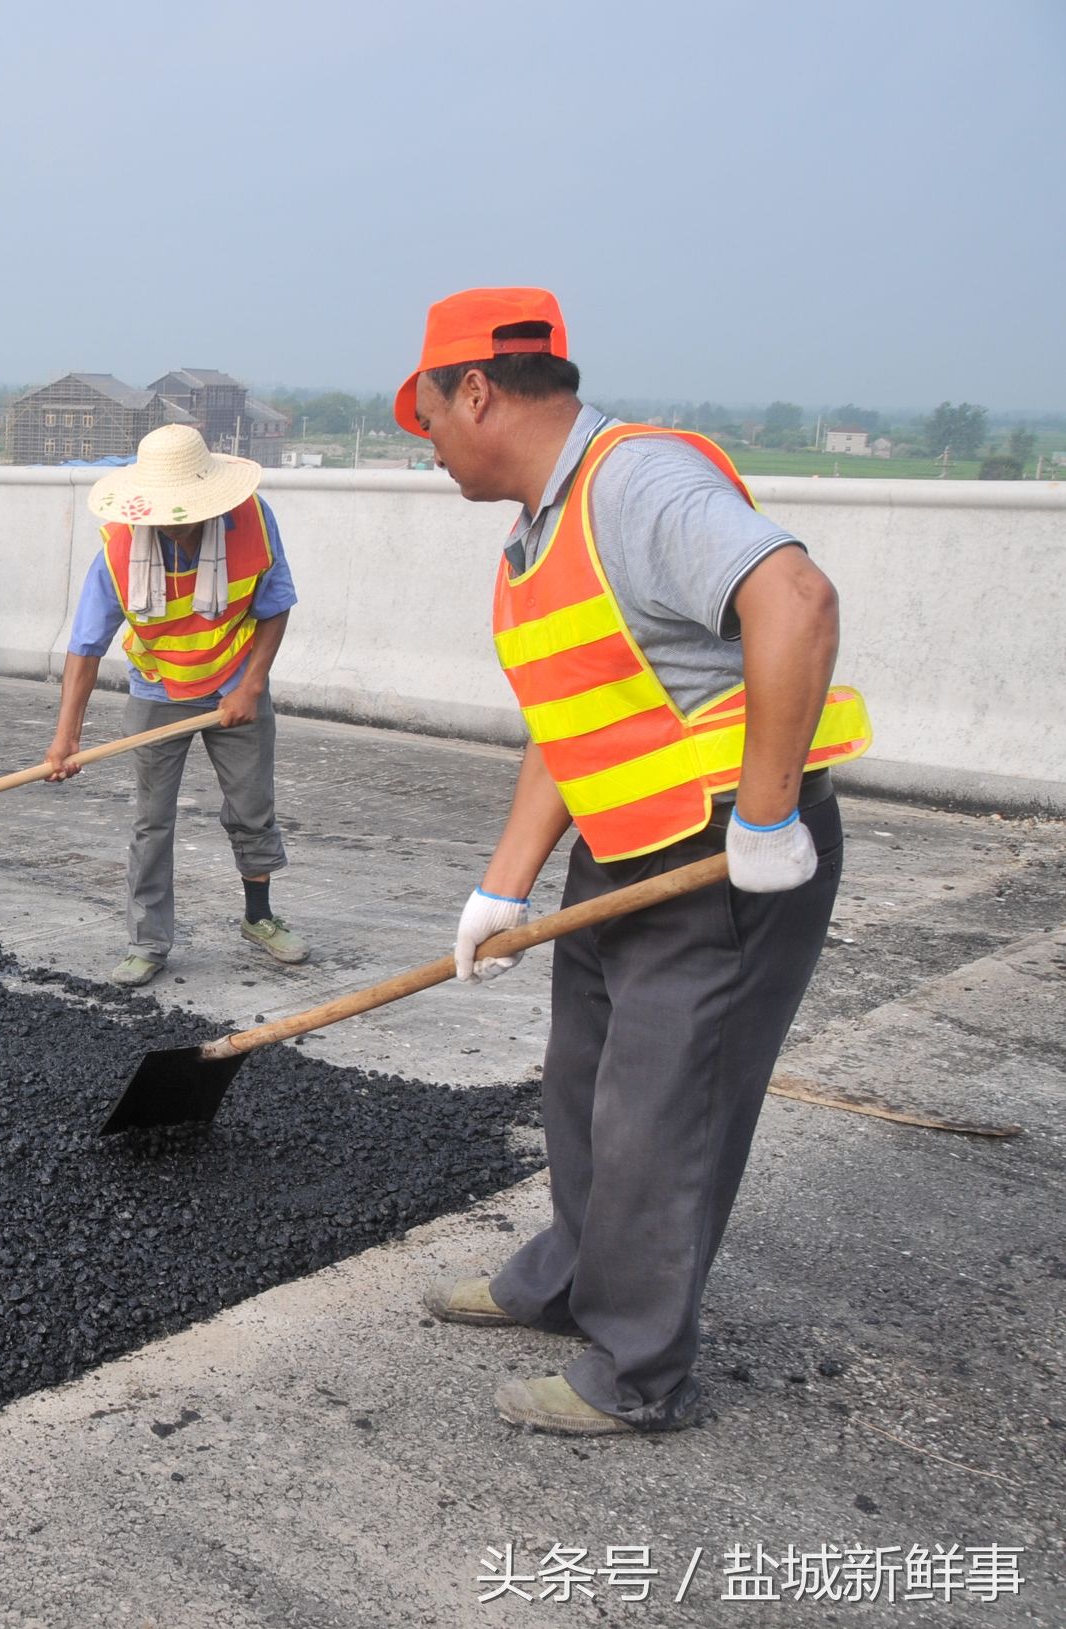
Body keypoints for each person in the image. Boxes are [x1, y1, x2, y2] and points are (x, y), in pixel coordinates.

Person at [401, 287, 871, 1435]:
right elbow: (575, 724)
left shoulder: (638, 483)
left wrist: (765, 821)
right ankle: (564, 1275)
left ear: (477, 390)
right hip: (626, 853)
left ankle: (637, 1371)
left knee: (668, 1115)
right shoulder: (538, 530)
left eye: (431, 426)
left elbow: (797, 599)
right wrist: (501, 885)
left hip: (720, 865)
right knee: (586, 1091)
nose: (434, 458)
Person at [44, 423, 307, 987]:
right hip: (157, 689)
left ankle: (259, 918)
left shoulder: (253, 524)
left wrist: (251, 686)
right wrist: (67, 738)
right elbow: (86, 645)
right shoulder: (119, 549)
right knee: (152, 821)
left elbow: (275, 604)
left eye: (184, 512)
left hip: (234, 683)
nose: (173, 524)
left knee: (252, 807)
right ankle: (148, 941)